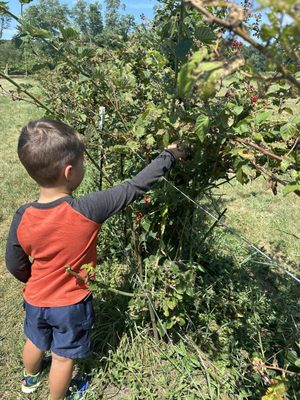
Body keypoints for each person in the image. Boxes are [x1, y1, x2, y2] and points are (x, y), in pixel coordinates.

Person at [5, 119, 185, 400]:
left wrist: (33, 280)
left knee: (35, 340)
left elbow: (14, 263)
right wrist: (169, 155)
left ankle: (30, 379)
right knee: (64, 357)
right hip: (70, 304)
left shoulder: (22, 215)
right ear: (69, 172)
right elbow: (134, 187)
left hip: (35, 298)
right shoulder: (88, 209)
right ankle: (59, 396)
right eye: (82, 164)